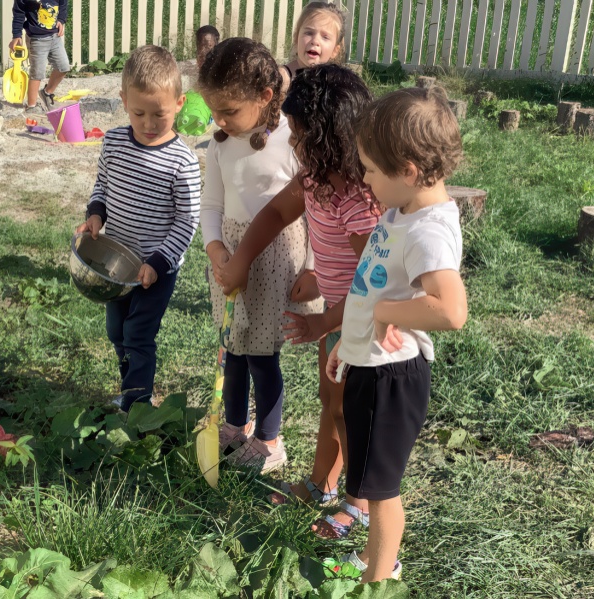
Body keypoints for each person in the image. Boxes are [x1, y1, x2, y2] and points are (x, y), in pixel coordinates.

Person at [218, 65, 380, 536]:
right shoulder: (314, 180)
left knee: (352, 412)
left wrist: (325, 323)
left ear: (331, 138)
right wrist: (243, 259)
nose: (292, 143)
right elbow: (274, 213)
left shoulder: (358, 202)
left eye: (301, 135)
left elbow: (372, 287)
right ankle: (321, 484)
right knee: (331, 402)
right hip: (339, 319)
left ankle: (360, 504)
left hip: (365, 326)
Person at [326, 86, 468, 582]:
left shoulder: (429, 231)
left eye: (368, 169)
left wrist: (385, 313)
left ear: (407, 171)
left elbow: (451, 311)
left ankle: (379, 579)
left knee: (382, 489)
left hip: (394, 378)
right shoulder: (402, 212)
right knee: (369, 474)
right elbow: (374, 285)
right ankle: (374, 557)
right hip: (373, 365)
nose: (363, 178)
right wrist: (353, 336)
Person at [198, 37, 323, 474]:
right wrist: (217, 251)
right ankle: (234, 425)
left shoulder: (292, 139)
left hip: (276, 258)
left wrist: (312, 268)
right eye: (215, 111)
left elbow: (316, 209)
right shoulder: (219, 145)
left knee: (261, 354)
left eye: (229, 111)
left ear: (265, 96)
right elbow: (211, 206)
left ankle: (269, 440)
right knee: (232, 346)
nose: (220, 120)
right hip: (231, 253)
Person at [76, 46, 201, 413]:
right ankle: (129, 388)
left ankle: (138, 405)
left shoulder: (182, 161)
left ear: (178, 104)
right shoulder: (114, 143)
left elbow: (186, 221)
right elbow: (102, 185)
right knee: (117, 332)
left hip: (154, 269)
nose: (148, 123)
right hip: (116, 266)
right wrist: (95, 214)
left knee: (138, 335)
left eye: (159, 114)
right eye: (138, 112)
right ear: (123, 101)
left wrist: (159, 263)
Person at [10, 0, 71, 113]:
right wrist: (16, 35)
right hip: (37, 39)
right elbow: (19, 14)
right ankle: (31, 106)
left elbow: (63, 3)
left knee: (63, 67)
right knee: (37, 73)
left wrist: (61, 20)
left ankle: (47, 92)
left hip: (55, 37)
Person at [281, 2, 347, 94]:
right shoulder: (283, 78)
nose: (315, 41)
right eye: (309, 33)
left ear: (335, 51)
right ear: (296, 39)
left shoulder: (335, 84)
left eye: (325, 37)